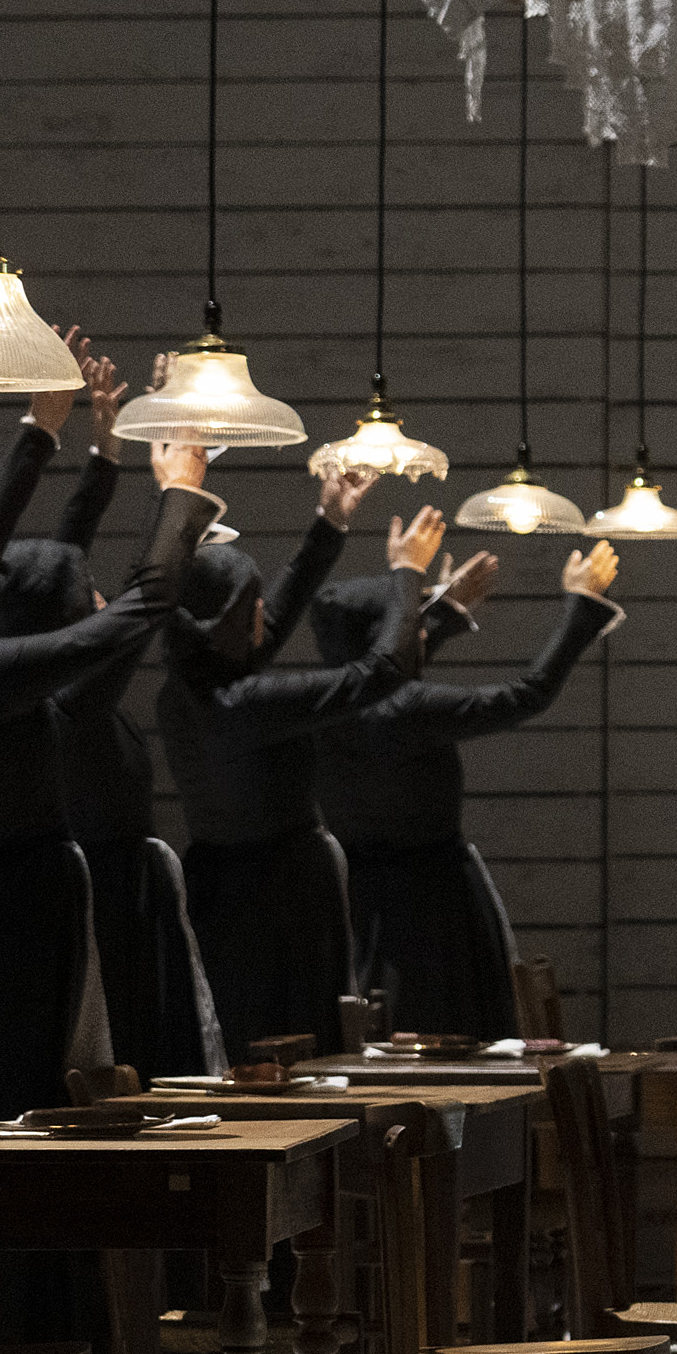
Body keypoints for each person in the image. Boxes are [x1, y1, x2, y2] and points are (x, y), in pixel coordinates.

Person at [0, 343, 226, 1076]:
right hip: (107, 910)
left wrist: (101, 453)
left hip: (111, 892)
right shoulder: (72, 700)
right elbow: (148, 596)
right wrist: (177, 490)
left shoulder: (35, 672)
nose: (100, 598)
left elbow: (56, 566)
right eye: (89, 601)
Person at [149, 443, 423, 1057]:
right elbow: (383, 671)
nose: (262, 612)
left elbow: (263, 625)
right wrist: (406, 575)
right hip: (283, 898)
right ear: (229, 619)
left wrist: (330, 523)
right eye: (251, 603)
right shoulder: (247, 705)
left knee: (243, 1033)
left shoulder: (187, 684)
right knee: (297, 1041)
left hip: (219, 887)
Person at [311, 531, 623, 1037]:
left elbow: (382, 671)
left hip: (358, 896)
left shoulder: (319, 703)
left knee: (382, 1026)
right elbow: (526, 695)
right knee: (446, 1025)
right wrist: (582, 605)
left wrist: (445, 611)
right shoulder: (408, 710)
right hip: (434, 898)